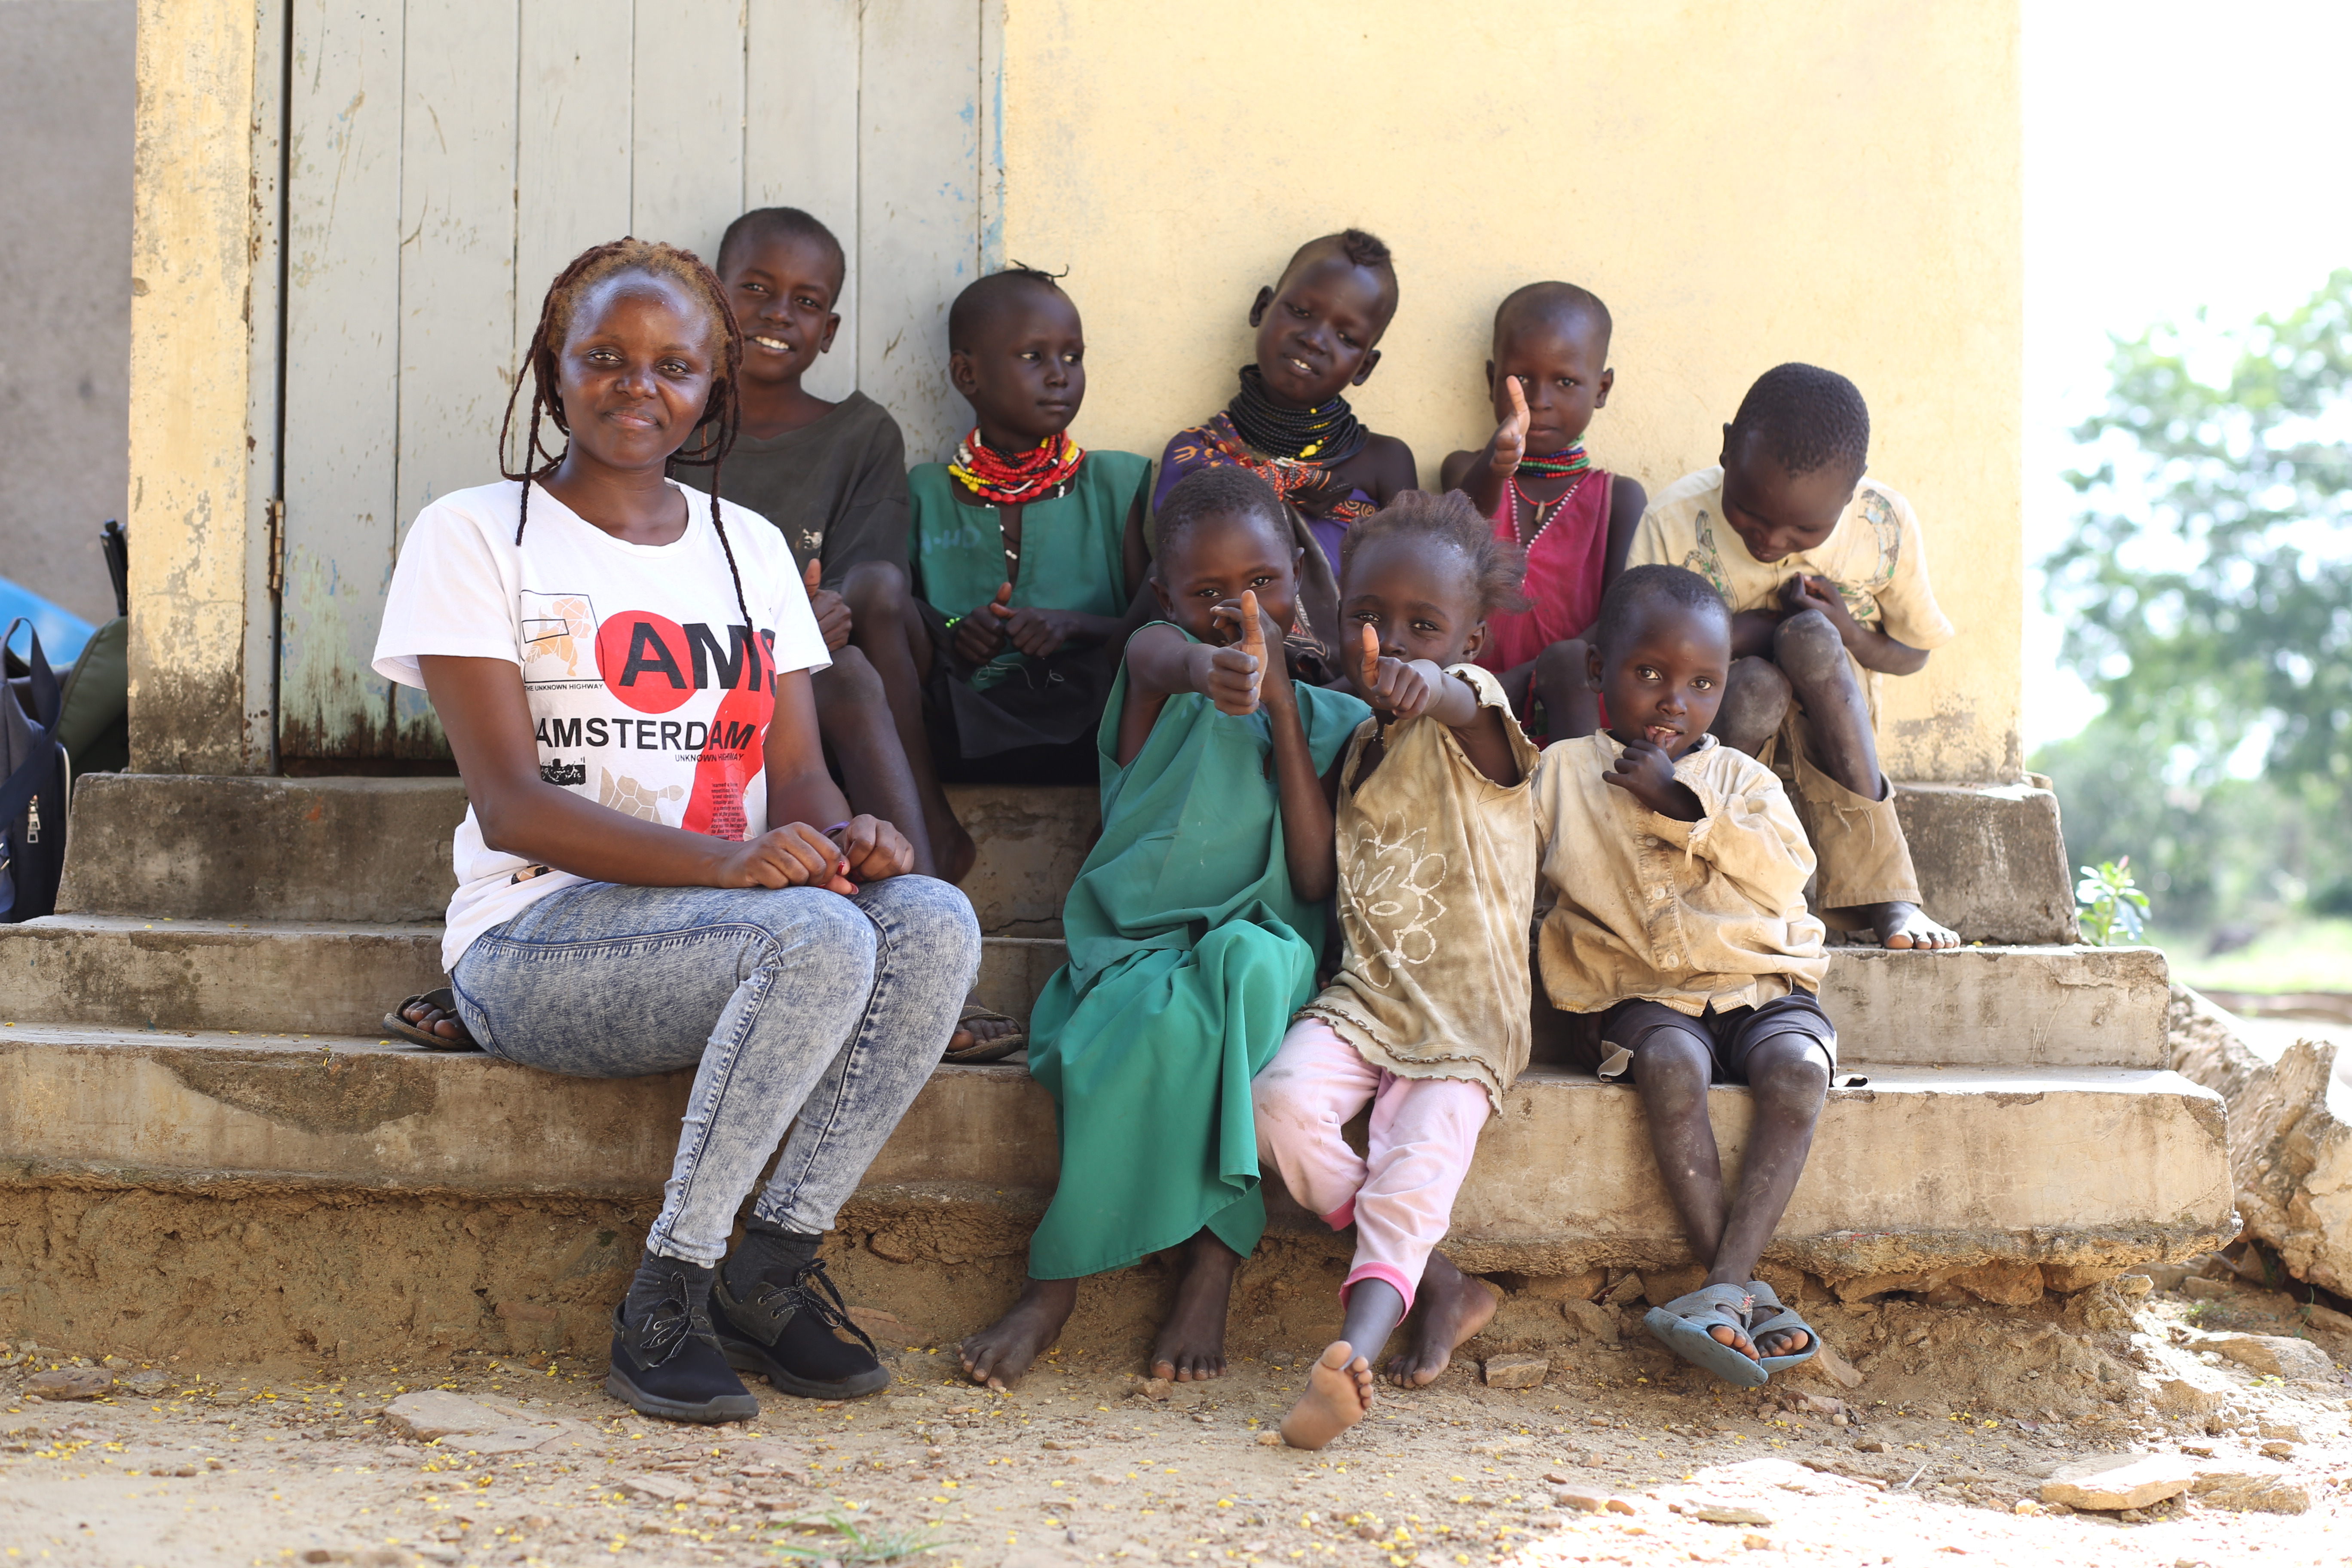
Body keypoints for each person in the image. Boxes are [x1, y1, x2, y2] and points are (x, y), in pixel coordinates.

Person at [371, 239, 980, 1423]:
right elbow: (510, 806)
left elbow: (793, 773)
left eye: (673, 367)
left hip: (734, 921)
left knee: (933, 923)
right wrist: (735, 865)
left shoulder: (747, 546)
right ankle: (670, 1292)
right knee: (815, 941)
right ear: (554, 370)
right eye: (604, 357)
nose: (637, 387)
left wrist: (847, 838)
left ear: (711, 387)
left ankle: (773, 1268)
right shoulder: (474, 535)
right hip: (540, 937)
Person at [957, 467, 1371, 1392]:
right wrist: (1209, 671)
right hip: (1132, 948)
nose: (1239, 610)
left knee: (1250, 968)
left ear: (1299, 569)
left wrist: (1284, 722)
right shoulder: (1159, 671)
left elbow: (1310, 877)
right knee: (1151, 1020)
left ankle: (1213, 1265)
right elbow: (1161, 658)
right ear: (1167, 598)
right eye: (1208, 594)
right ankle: (1054, 1281)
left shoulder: (1340, 722)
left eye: (1262, 582)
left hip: (1265, 949)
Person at [671, 205, 1009, 1059]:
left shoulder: (860, 433)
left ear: (831, 327)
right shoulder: (673, 416)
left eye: (804, 300)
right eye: (755, 289)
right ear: (712, 298)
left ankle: (931, 955)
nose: (779, 313)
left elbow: (868, 576)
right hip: (682, 657)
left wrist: (814, 619)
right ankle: (932, 860)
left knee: (856, 661)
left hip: (818, 658)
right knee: (842, 669)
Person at [1250, 491, 1542, 1449]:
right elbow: (1311, 871)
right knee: (1278, 1106)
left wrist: (1437, 683)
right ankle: (1437, 1279)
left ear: (1472, 636)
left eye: (1425, 627)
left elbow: (1460, 702)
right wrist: (1289, 713)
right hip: (1369, 1000)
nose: (1391, 641)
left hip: (1463, 1016)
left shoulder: (1481, 716)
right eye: (1369, 617)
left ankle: (1351, 1355)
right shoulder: (1361, 746)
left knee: (1416, 1164)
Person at [1529, 564, 1835, 1387]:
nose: (1674, 701)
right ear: (1598, 671)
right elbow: (1508, 869)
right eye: (1650, 675)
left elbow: (1784, 874)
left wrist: (1682, 807)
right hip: (1641, 995)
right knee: (1669, 1065)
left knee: (1800, 1071)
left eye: (1702, 683)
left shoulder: (1740, 778)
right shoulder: (1559, 772)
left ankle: (1722, 1289)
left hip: (1763, 983)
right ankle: (1738, 1292)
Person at [1628, 363, 1959, 950]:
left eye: (1803, 529)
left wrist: (1847, 631)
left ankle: (1890, 895)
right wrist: (1759, 627)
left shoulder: (1880, 525)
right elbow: (1639, 652)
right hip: (1725, 737)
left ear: (1853, 488)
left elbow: (1913, 655)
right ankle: (1721, 880)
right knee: (1755, 681)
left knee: (1812, 639)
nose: (1770, 541)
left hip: (1837, 736)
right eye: (1751, 515)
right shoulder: (1677, 521)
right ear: (1728, 450)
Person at [843, 267, 1153, 886]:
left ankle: (1119, 830)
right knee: (876, 591)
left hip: (1093, 716)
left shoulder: (1125, 483)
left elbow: (1155, 619)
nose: (1060, 373)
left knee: (1181, 594)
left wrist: (1077, 625)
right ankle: (930, 827)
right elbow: (904, 633)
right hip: (963, 715)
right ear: (967, 374)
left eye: (1073, 356)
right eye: (1033, 356)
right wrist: (958, 629)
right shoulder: (924, 491)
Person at [1154, 230, 1417, 649]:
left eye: (1347, 338)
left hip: (1351, 694)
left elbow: (1412, 599)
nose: (1314, 339)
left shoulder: (1385, 464)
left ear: (1365, 365)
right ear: (1263, 307)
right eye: (1299, 311)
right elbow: (1162, 598)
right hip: (1218, 683)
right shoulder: (1196, 454)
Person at [1439, 282, 1645, 740]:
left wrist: (1525, 680)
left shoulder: (1620, 499)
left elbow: (1615, 619)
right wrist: (1495, 465)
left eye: (1566, 381)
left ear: (1602, 388)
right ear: (1492, 378)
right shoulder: (1465, 470)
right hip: (1467, 702)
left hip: (1574, 712)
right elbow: (1453, 537)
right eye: (1521, 379)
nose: (1539, 399)